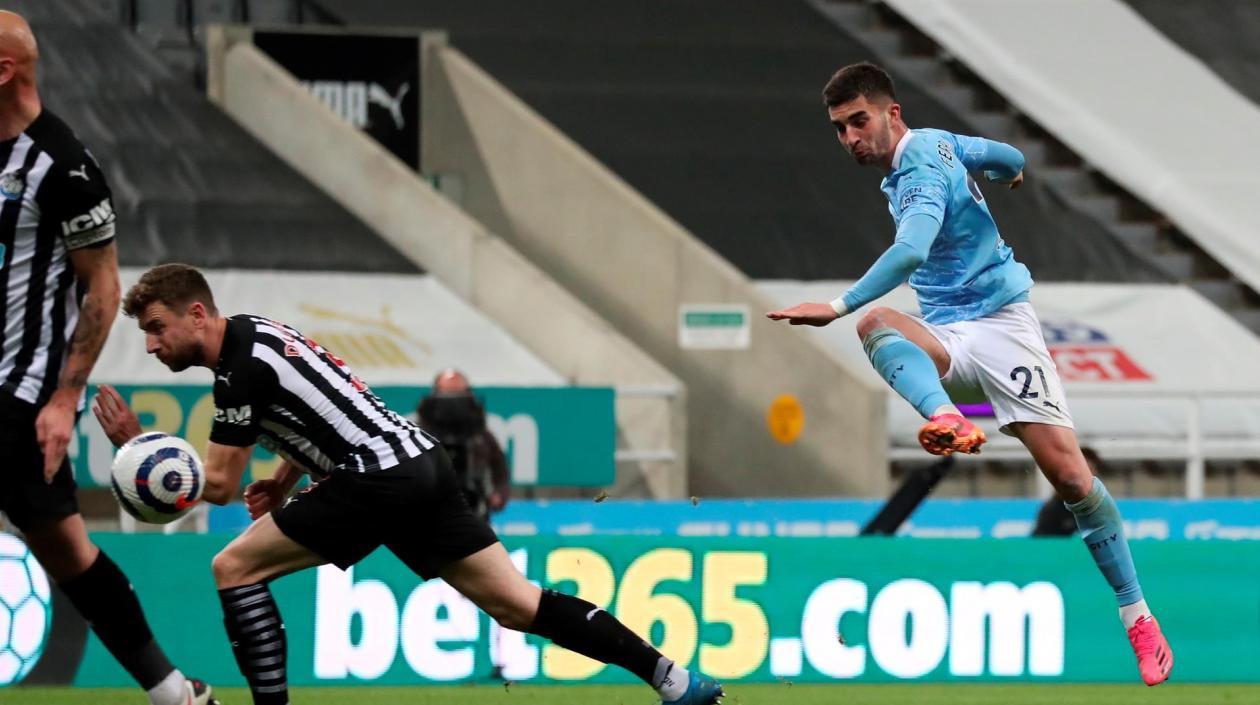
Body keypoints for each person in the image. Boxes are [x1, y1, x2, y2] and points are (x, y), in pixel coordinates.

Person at [92, 264, 723, 705]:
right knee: (517, 604)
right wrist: (285, 477)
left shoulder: (235, 373)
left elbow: (220, 487)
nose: (150, 345)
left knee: (233, 568)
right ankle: (673, 680)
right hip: (420, 461)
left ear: (196, 314)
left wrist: (137, 451)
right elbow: (324, 403)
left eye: (155, 327)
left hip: (375, 480)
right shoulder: (261, 335)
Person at [766, 62, 1172, 686]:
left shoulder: (920, 165)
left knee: (1069, 476)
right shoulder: (942, 145)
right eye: (840, 128)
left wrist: (834, 304)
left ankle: (1137, 614)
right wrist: (1008, 175)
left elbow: (912, 250)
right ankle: (947, 415)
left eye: (859, 121)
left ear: (891, 114)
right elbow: (1006, 154)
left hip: (1003, 326)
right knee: (879, 326)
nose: (850, 138)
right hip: (949, 334)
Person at [0, 12, 216, 704]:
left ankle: (172, 691)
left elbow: (103, 289)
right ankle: (175, 691)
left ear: (4, 71)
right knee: (70, 555)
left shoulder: (64, 166)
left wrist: (65, 398)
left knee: (70, 554)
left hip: (19, 391)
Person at [417, 368, 510, 520]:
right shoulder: (418, 435)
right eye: (446, 395)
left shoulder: (480, 436)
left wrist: (499, 493)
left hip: (473, 504)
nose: (453, 403)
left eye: (458, 394)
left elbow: (499, 466)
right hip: (430, 507)